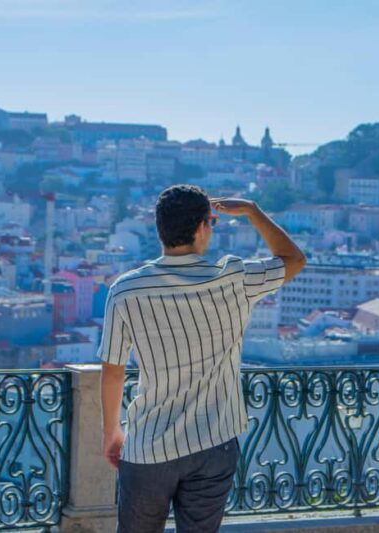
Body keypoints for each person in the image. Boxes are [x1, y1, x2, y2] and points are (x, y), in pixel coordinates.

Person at [97, 184, 306, 533]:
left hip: (149, 446)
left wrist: (111, 433)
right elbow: (294, 259)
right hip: (214, 443)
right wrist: (253, 211)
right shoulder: (235, 279)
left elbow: (113, 371)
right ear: (202, 228)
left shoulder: (126, 289)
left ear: (160, 229)